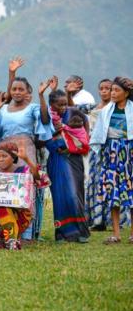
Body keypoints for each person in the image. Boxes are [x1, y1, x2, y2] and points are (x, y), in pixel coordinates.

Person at [0, 71, 52, 241]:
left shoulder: (32, 108)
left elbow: (45, 121)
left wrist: (41, 96)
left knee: (27, 187)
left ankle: (27, 232)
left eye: (20, 89)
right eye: (14, 89)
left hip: (26, 149)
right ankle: (7, 230)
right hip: (6, 150)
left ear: (27, 92)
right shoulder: (2, 108)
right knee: (7, 187)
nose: (17, 92)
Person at [88, 77, 133, 244]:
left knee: (130, 190)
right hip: (111, 153)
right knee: (113, 191)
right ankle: (116, 234)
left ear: (126, 93)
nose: (113, 93)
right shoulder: (106, 111)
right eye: (112, 90)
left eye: (116, 90)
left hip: (129, 153)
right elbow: (99, 133)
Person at [0, 141, 41, 250]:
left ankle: (12, 243)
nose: (1, 159)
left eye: (4, 156)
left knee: (3, 208)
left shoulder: (23, 170)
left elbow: (37, 177)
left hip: (20, 213)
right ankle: (3, 242)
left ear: (13, 157)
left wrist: (26, 159)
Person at [47, 88, 91, 243]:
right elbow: (42, 137)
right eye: (59, 105)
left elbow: (84, 131)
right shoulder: (47, 117)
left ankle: (81, 232)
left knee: (74, 194)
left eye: (65, 104)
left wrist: (72, 143)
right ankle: (62, 233)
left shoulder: (74, 113)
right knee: (59, 196)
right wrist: (55, 134)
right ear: (51, 104)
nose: (63, 108)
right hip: (56, 159)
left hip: (74, 159)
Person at [86, 78, 113, 230]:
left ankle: (109, 218)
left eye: (107, 88)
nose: (104, 91)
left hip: (109, 148)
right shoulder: (94, 107)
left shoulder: (114, 108)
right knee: (95, 181)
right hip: (94, 149)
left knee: (107, 181)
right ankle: (96, 218)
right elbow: (73, 107)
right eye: (101, 88)